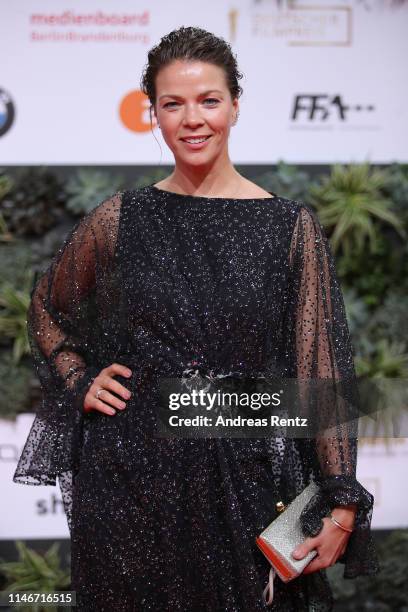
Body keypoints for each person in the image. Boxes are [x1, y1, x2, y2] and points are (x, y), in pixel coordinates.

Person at [13, 26, 379, 611]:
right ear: (153, 114)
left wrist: (340, 501)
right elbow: (47, 310)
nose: (192, 119)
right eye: (172, 104)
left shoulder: (289, 228)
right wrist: (81, 379)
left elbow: (320, 370)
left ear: (235, 105)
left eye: (208, 100)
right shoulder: (120, 218)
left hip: (244, 476)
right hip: (129, 479)